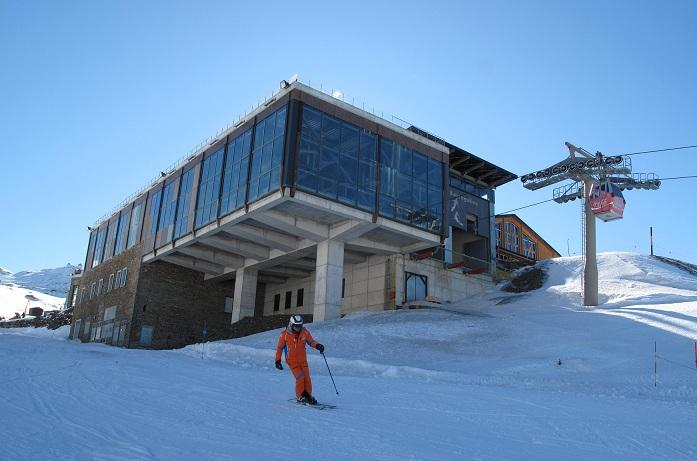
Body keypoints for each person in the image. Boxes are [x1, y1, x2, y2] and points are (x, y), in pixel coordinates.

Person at [275, 314, 324, 405]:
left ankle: (307, 395)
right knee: (300, 377)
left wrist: (318, 346)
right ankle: (300, 396)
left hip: (303, 360)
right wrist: (277, 360)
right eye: (296, 326)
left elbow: (311, 342)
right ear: (291, 324)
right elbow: (279, 348)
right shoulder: (284, 335)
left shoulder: (305, 332)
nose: (298, 328)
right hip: (292, 361)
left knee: (307, 378)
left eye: (299, 326)